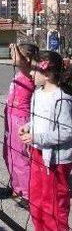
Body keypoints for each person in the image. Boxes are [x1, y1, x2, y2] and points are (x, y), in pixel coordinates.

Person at [19, 51, 72, 231]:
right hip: (37, 154)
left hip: (55, 161)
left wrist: (37, 137)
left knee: (54, 205)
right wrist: (28, 126)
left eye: (35, 69)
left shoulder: (62, 99)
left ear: (48, 74)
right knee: (37, 201)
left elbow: (67, 132)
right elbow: (37, 120)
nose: (31, 74)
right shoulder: (37, 94)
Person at [3, 43, 38, 208]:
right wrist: (14, 50)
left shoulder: (29, 74)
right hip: (9, 117)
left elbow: (20, 62)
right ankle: (16, 187)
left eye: (16, 54)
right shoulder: (19, 73)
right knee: (8, 155)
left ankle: (28, 193)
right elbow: (17, 61)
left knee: (20, 158)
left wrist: (16, 50)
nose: (13, 56)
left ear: (27, 59)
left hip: (20, 120)